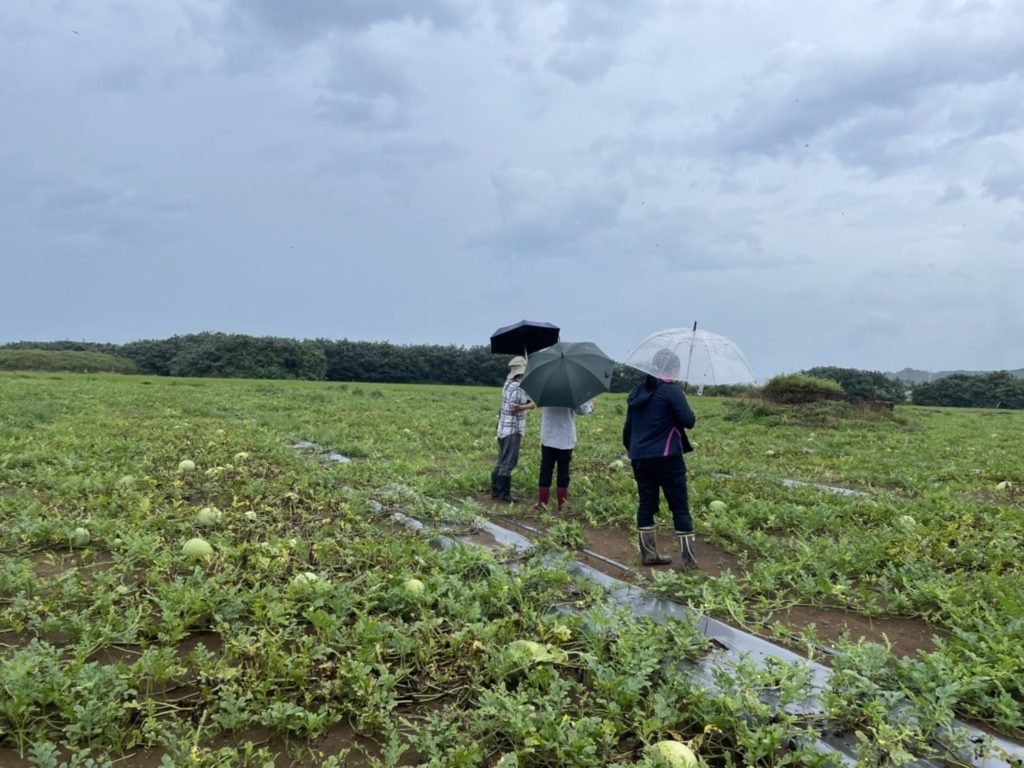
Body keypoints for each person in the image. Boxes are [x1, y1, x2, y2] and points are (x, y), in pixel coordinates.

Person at [622, 348, 698, 567]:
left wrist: (633, 450)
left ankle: (648, 554)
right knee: (680, 506)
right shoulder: (671, 390)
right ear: (673, 368)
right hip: (667, 456)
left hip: (640, 457)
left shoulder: (638, 390)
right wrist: (681, 398)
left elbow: (628, 429)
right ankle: (689, 561)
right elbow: (689, 421)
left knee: (646, 504)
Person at [492, 355, 536, 502]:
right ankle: (504, 494)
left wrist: (525, 401)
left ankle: (496, 491)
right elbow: (513, 407)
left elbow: (510, 402)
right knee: (509, 461)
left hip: (503, 428)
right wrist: (529, 406)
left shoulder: (508, 383)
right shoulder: (518, 386)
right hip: (512, 429)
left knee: (501, 459)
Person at [535, 399, 594, 511]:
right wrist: (590, 404)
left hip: (548, 435)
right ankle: (562, 504)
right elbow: (581, 410)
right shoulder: (571, 392)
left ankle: (542, 502)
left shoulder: (547, 391)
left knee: (545, 469)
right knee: (563, 470)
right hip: (565, 437)